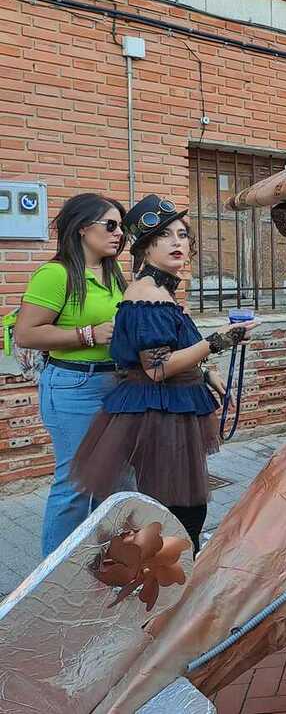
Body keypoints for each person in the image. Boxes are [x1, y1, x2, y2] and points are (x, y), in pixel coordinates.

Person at [71, 195, 257, 553]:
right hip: (160, 413)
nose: (177, 242)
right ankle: (169, 591)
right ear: (143, 248)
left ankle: (173, 582)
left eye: (183, 235)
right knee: (177, 512)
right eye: (163, 236)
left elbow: (172, 353)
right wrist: (219, 341)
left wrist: (204, 375)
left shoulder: (161, 292)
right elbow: (156, 368)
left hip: (173, 405)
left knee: (181, 510)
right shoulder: (147, 295)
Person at [14, 194, 127, 556]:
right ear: (82, 229)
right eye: (110, 225)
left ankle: (97, 560)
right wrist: (88, 334)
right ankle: (53, 577)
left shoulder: (113, 273)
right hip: (73, 386)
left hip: (115, 383)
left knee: (113, 478)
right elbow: (27, 333)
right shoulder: (56, 274)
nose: (119, 233)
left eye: (121, 227)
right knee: (77, 483)